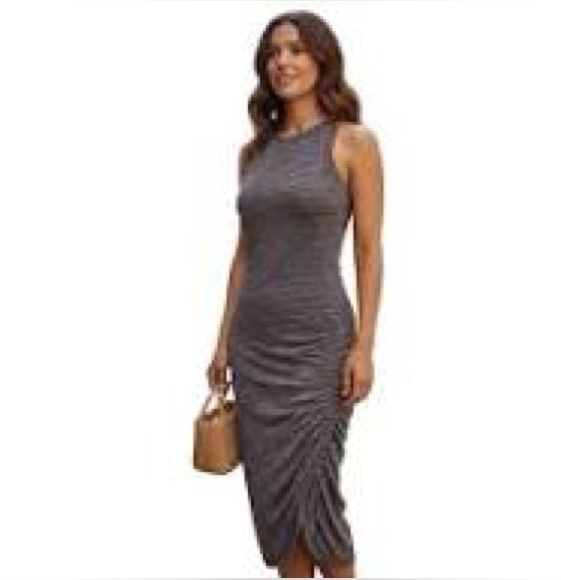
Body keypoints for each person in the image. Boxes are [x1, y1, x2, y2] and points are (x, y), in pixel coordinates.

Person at [206, 9, 384, 578]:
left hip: (319, 349)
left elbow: (368, 251)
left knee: (317, 498)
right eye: (273, 53)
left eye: (296, 50)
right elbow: (245, 253)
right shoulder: (252, 155)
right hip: (255, 349)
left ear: (322, 59)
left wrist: (364, 347)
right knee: (277, 505)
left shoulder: (354, 142)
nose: (282, 62)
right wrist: (222, 343)